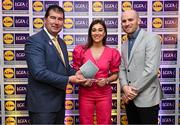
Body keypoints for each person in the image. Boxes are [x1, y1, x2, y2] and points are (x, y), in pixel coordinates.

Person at [25, 5, 86, 124]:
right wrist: (69, 79)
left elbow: (64, 67)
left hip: (58, 103)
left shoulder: (61, 42)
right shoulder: (34, 41)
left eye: (60, 19)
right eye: (53, 18)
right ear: (45, 20)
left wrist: (77, 73)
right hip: (42, 106)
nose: (56, 22)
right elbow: (39, 72)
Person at [72, 19, 121, 124]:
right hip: (85, 93)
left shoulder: (112, 52)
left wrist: (107, 80)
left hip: (104, 94)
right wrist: (83, 81)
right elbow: (75, 73)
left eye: (100, 30)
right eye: (94, 30)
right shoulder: (81, 51)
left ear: (104, 33)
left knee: (105, 122)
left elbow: (115, 75)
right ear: (90, 33)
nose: (97, 33)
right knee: (85, 122)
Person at [120, 9, 164, 124]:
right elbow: (122, 68)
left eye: (130, 19)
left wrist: (130, 92)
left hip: (147, 98)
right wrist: (124, 86)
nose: (127, 23)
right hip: (130, 100)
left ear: (138, 20)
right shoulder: (124, 45)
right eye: (124, 21)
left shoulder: (152, 38)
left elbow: (151, 70)